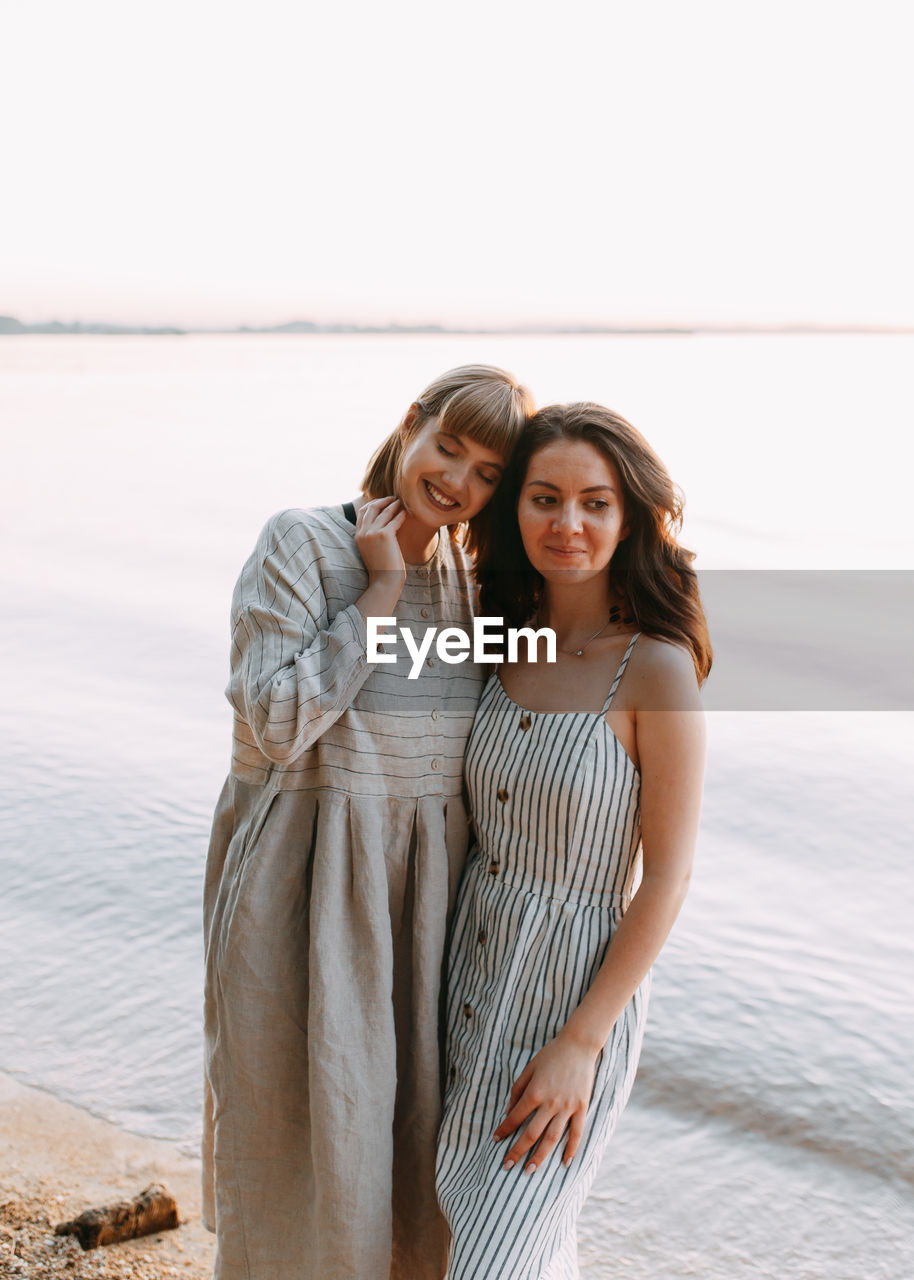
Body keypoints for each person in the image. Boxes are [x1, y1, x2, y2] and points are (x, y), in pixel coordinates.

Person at [202, 365, 534, 1280]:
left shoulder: (479, 584)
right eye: (449, 448)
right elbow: (273, 723)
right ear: (412, 424)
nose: (457, 480)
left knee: (411, 1153)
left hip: (429, 909)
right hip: (303, 883)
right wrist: (379, 597)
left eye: (488, 474)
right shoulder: (302, 544)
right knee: (303, 1146)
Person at [436, 402, 711, 1278]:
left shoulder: (657, 667)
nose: (569, 524)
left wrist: (581, 1045)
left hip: (571, 1004)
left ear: (629, 517)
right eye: (545, 498)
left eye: (595, 502)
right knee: (465, 1236)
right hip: (464, 981)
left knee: (498, 1257)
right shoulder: (493, 632)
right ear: (513, 509)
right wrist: (374, 564)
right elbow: (364, 672)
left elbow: (666, 877)